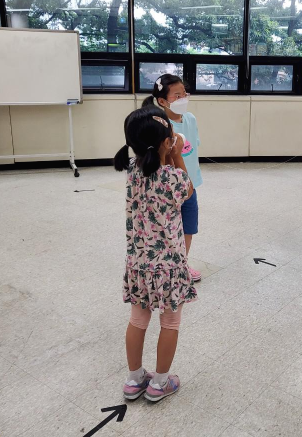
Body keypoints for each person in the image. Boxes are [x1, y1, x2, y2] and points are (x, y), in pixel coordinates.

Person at [114, 106, 196, 402]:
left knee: (137, 321)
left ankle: (134, 379)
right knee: (170, 323)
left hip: (138, 265)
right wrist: (177, 155)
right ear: (166, 142)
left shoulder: (132, 172)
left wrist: (166, 149)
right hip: (169, 268)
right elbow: (188, 191)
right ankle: (160, 383)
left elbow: (152, 165)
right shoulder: (173, 177)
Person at [142, 74, 204, 282]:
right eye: (177, 95)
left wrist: (191, 180)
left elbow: (194, 147)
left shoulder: (190, 118)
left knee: (189, 226)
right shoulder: (160, 125)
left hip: (190, 185)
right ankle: (166, 265)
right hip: (169, 188)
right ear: (162, 101)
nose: (183, 98)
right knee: (169, 228)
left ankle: (182, 263)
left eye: (184, 93)